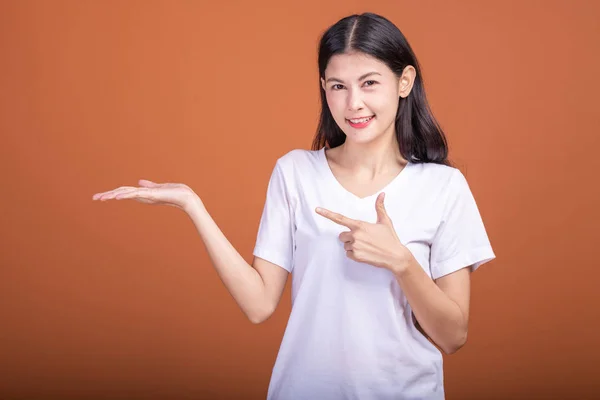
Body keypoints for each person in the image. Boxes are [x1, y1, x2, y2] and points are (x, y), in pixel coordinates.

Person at [93, 12, 495, 400]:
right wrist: (193, 205)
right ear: (324, 87)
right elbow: (258, 304)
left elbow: (453, 336)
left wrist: (401, 262)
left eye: (369, 83)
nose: (353, 103)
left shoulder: (443, 187)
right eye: (338, 86)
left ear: (404, 81)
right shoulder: (295, 172)